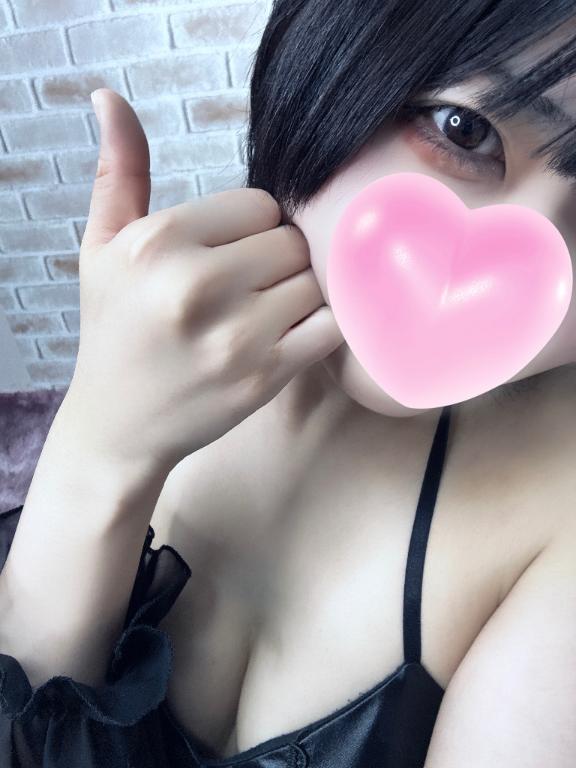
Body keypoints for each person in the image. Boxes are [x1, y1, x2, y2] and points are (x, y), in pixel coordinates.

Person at [0, 1, 575, 766]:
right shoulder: (164, 325)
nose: (531, 291)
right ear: (327, 58)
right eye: (464, 130)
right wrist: (97, 454)